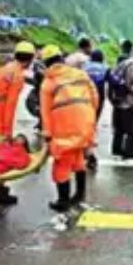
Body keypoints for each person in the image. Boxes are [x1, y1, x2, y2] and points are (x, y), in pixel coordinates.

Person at [40, 45, 98, 212]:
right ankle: (80, 194)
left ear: (45, 63)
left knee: (62, 161)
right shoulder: (80, 74)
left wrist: (48, 136)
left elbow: (45, 112)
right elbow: (95, 97)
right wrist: (90, 119)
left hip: (64, 126)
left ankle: (63, 201)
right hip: (85, 121)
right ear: (61, 58)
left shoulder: (48, 81)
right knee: (79, 156)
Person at [0, 41, 35, 143]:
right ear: (31, 59)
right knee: (0, 148)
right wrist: (7, 133)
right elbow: (10, 106)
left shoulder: (4, 69)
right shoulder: (17, 76)